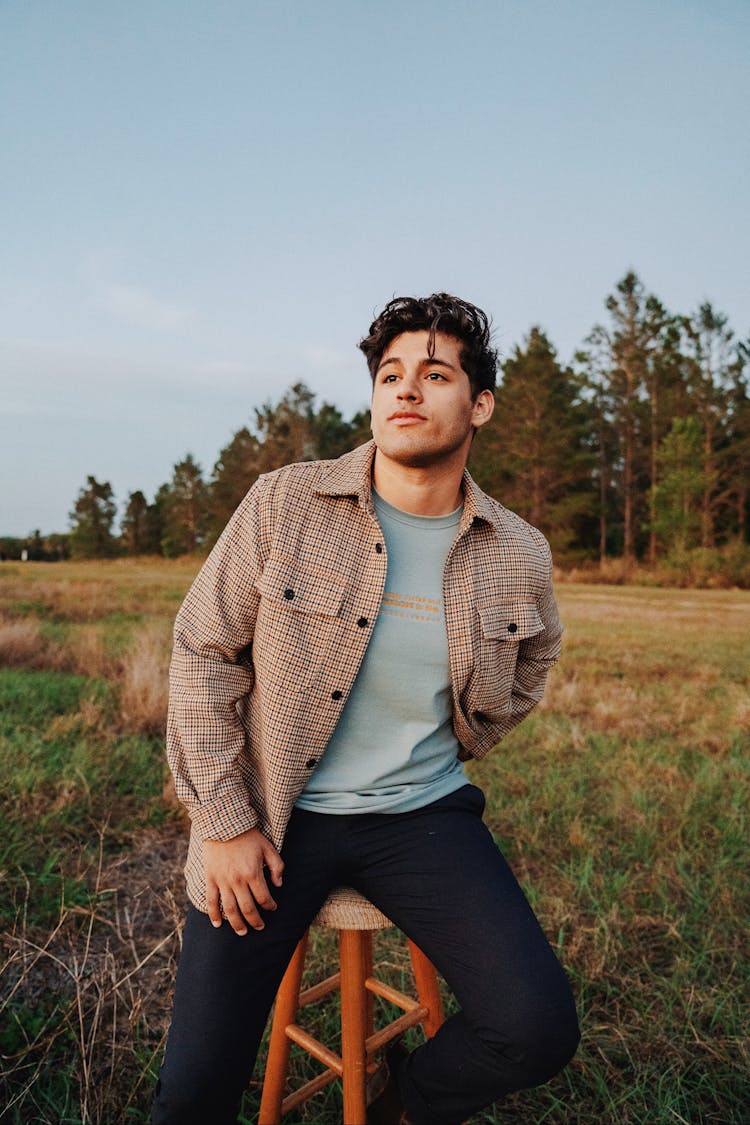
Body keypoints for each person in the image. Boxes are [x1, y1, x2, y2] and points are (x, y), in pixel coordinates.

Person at [152, 293, 580, 1125]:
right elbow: (202, 646)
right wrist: (224, 820)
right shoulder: (286, 503)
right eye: (390, 374)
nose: (406, 390)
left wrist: (463, 734)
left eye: (434, 373)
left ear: (479, 404)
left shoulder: (517, 548)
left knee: (536, 1027)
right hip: (274, 815)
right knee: (193, 1096)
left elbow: (534, 661)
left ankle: (397, 1108)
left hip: (422, 815)